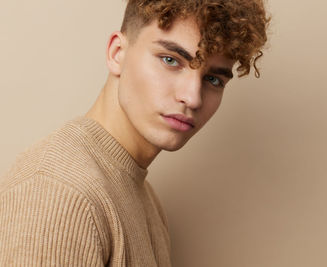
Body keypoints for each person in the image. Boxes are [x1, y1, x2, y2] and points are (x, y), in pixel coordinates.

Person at [0, 0, 270, 266]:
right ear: (117, 53)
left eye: (213, 79)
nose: (192, 97)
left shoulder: (144, 195)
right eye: (170, 60)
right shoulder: (60, 193)